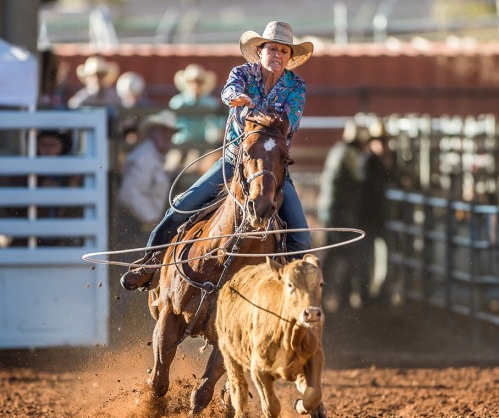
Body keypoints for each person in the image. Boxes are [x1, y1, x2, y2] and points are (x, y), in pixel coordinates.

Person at [120, 21, 314, 292]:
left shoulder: (297, 86)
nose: (278, 55)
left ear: (289, 57)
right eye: (273, 49)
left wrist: (252, 109)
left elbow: (288, 121)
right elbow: (228, 93)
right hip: (235, 161)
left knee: (301, 238)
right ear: (260, 51)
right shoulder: (242, 73)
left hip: (272, 165)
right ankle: (150, 262)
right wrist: (243, 103)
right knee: (183, 206)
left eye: (284, 51)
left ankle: (296, 295)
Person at [318, 115, 390, 311]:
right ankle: (338, 296)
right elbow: (360, 177)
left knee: (333, 251)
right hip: (339, 211)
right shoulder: (349, 154)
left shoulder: (337, 150)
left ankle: (327, 295)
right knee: (344, 252)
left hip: (331, 209)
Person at [117, 110, 178, 252]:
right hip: (136, 228)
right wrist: (151, 219)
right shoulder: (144, 158)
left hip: (142, 227)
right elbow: (128, 194)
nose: (168, 136)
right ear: (153, 133)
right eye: (163, 132)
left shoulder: (153, 156)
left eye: (171, 133)